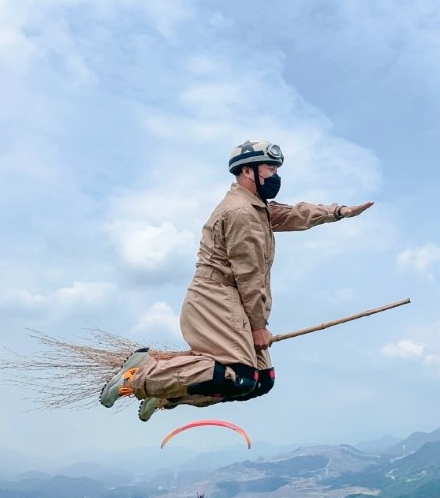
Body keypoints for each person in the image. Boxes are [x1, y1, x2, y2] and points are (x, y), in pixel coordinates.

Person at [100, 139, 373, 421]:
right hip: (217, 295)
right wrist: (258, 327)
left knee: (260, 381)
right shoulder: (241, 213)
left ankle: (166, 393)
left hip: (235, 297)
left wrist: (337, 212)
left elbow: (291, 214)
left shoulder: (256, 208)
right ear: (247, 170)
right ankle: (141, 374)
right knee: (239, 377)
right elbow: (249, 276)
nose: (276, 176)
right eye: (270, 169)